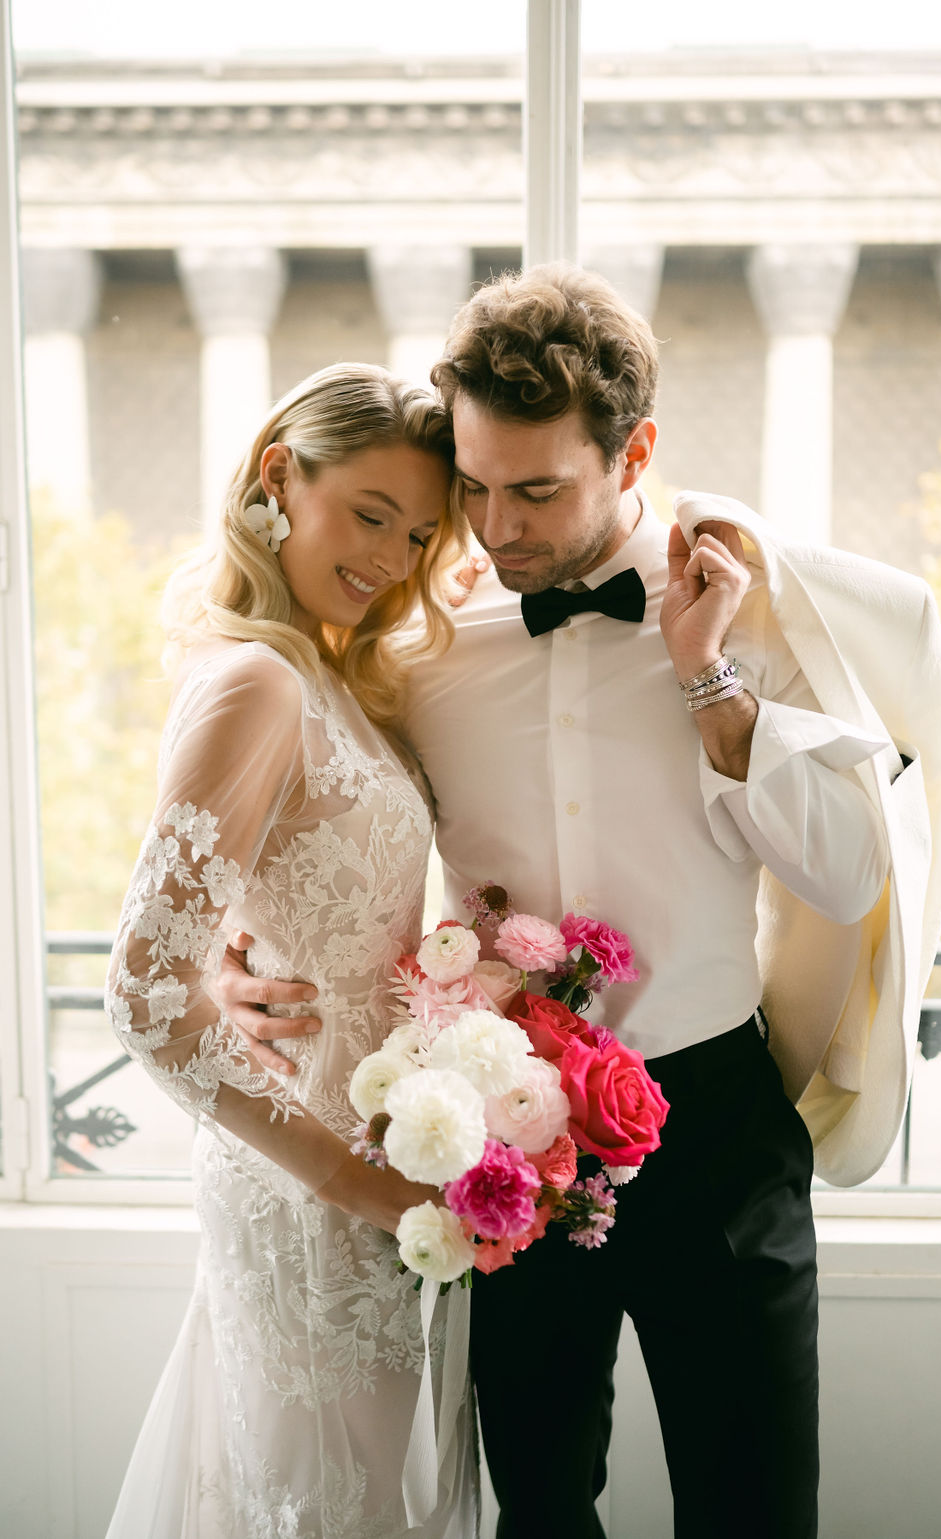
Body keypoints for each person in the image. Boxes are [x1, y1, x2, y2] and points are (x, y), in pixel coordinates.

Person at [220, 266, 941, 1539]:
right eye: (474, 485)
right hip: (502, 1143)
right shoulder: (424, 653)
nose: (496, 529)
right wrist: (244, 948)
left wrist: (711, 685)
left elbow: (847, 872)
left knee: (757, 1507)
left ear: (635, 455)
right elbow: (320, 818)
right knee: (537, 1510)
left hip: (717, 1124)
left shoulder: (741, 622)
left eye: (537, 489)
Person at [103, 363, 479, 1539]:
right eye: (370, 514)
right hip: (316, 1177)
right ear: (280, 476)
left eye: (418, 534)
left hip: (380, 1157)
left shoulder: (328, 671)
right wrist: (353, 1179)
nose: (391, 558)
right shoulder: (259, 678)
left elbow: (261, 889)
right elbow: (144, 996)